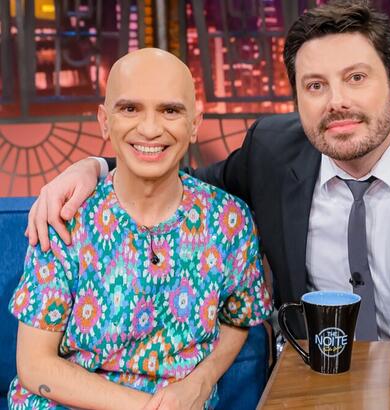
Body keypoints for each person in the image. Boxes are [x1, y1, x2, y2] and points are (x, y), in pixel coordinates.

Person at [26, 0, 390, 407]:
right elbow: (174, 184)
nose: (337, 102)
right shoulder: (269, 152)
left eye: (356, 77)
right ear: (296, 98)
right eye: (315, 85)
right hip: (316, 383)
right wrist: (95, 165)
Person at [10, 48, 272, 410]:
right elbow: (35, 365)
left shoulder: (229, 220)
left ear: (195, 123)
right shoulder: (64, 215)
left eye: (170, 110)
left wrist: (201, 381)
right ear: (104, 121)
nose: (150, 128)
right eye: (130, 109)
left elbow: (238, 318)